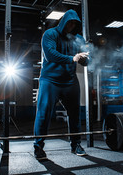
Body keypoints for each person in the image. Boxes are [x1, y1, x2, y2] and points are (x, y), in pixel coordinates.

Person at [33, 9, 89, 160]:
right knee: (43, 114)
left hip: (70, 81)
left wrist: (84, 59)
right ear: (63, 21)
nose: (71, 26)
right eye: (69, 22)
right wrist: (72, 58)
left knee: (75, 114)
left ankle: (75, 144)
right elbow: (50, 55)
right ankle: (38, 146)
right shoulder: (50, 34)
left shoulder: (79, 39)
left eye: (74, 24)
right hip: (50, 80)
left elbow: (86, 61)